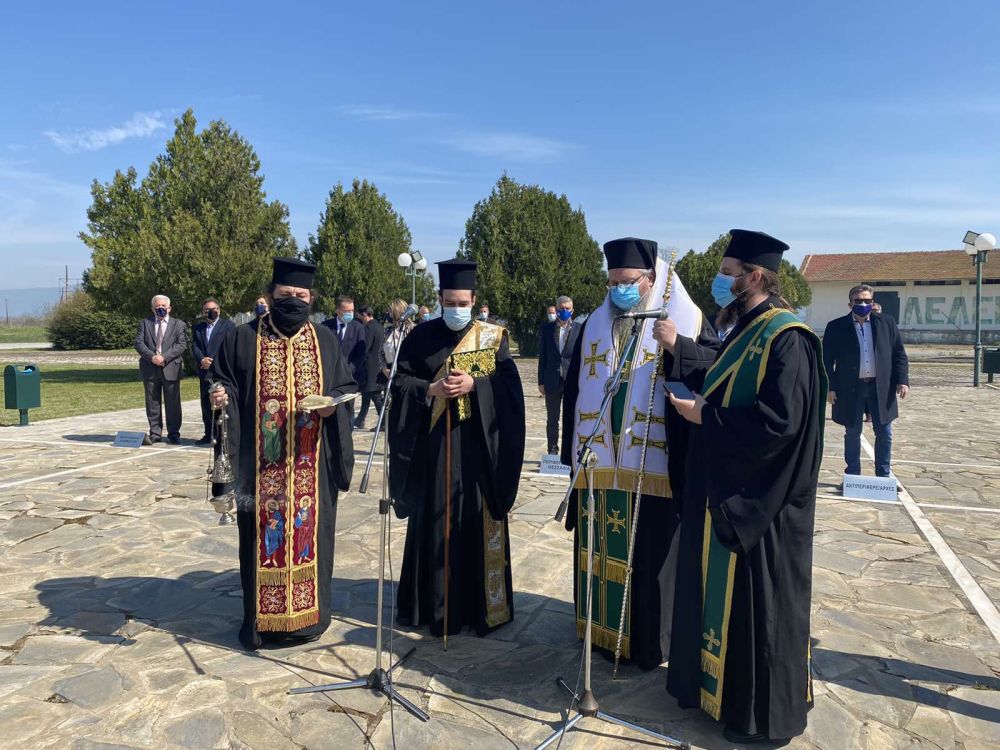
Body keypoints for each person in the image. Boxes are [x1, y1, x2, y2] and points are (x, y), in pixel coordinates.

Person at [666, 229, 826, 744]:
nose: (721, 279)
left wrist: (704, 417)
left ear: (756, 276)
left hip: (765, 504)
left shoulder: (788, 338)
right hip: (730, 487)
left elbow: (781, 425)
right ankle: (719, 699)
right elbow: (723, 379)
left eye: (729, 271)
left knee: (762, 614)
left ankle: (759, 718)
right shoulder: (743, 328)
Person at [561, 238, 718, 670]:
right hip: (602, 462)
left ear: (649, 279)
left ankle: (647, 643)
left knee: (648, 560)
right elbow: (575, 390)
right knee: (597, 555)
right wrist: (569, 454)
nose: (618, 291)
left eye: (626, 282)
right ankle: (597, 631)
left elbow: (714, 369)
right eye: (611, 283)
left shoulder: (687, 318)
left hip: (655, 466)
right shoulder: (596, 323)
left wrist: (677, 346)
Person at [209, 257, 356, 651]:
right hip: (259, 467)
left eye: (302, 295)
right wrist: (222, 395)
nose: (294, 300)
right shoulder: (242, 338)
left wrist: (333, 407)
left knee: (311, 535)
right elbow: (224, 381)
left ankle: (310, 619)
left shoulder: (325, 340)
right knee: (262, 541)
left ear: (312, 298)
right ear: (271, 295)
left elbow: (344, 387)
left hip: (312, 464)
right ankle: (263, 623)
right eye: (286, 294)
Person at [388, 259, 525, 639]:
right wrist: (429, 391)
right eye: (450, 301)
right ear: (439, 298)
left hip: (479, 451)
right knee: (433, 522)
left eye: (462, 302)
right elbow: (397, 384)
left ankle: (481, 607)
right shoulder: (419, 337)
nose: (456, 308)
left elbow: (511, 393)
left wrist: (476, 386)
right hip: (435, 452)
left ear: (474, 299)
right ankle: (433, 607)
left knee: (475, 527)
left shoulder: (494, 338)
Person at [822, 284, 909, 487]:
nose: (863, 304)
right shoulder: (836, 327)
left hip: (881, 388)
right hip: (850, 388)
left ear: (872, 302)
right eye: (858, 301)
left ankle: (884, 477)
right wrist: (830, 387)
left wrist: (902, 380)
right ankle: (852, 476)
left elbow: (899, 354)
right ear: (850, 303)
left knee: (885, 432)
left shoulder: (886, 323)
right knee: (852, 432)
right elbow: (826, 359)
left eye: (867, 301)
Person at [134, 294, 187, 444]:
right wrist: (152, 357)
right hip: (150, 368)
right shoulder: (144, 324)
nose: (160, 308)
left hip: (170, 368)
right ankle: (155, 433)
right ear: (152, 308)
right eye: (157, 306)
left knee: (173, 403)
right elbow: (139, 343)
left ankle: (174, 434)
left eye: (163, 306)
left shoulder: (179, 325)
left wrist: (164, 357)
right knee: (152, 402)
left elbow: (181, 344)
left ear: (169, 308)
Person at [537, 295, 581, 455]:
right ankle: (552, 451)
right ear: (556, 309)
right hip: (551, 380)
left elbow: (581, 356)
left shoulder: (579, 329)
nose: (564, 311)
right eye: (561, 308)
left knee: (570, 417)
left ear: (572, 310)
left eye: (567, 308)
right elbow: (543, 356)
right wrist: (540, 381)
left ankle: (568, 451)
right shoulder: (546, 329)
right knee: (552, 419)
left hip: (571, 380)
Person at [191, 298, 235, 444]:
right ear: (204, 312)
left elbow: (229, 347)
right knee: (205, 403)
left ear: (219, 309)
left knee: (220, 402)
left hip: (220, 370)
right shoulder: (198, 328)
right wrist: (201, 359)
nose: (211, 312)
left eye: (214, 309)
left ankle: (221, 434)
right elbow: (195, 346)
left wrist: (215, 362)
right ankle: (208, 434)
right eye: (208, 310)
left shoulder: (228, 325)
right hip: (204, 370)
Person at [322, 296, 366, 390]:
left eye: (352, 311)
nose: (350, 313)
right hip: (330, 378)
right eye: (347, 311)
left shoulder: (358, 328)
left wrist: (348, 371)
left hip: (349, 377)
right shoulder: (325, 326)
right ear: (337, 311)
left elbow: (360, 354)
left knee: (347, 405)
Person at [355, 305, 386, 429]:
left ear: (365, 315)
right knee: (367, 394)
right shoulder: (379, 326)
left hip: (369, 366)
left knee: (374, 395)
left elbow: (365, 347)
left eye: (360, 316)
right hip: (377, 365)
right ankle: (360, 420)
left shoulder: (368, 328)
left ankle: (383, 421)